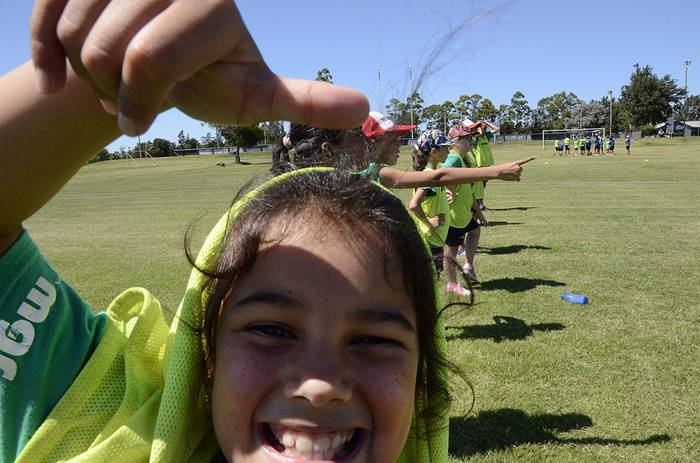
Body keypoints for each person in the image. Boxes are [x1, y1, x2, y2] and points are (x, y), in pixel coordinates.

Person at [0, 2, 457, 462]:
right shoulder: (103, 432)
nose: (320, 386)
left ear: (422, 380)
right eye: (272, 329)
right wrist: (99, 84)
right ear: (206, 361)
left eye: (374, 340)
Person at [441, 121, 487, 296]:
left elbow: (469, 190)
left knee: (475, 231)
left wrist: (478, 211)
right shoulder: (453, 157)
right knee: (451, 250)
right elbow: (440, 175)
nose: (471, 141)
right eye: (467, 138)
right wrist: (448, 190)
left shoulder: (463, 159)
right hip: (455, 215)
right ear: (456, 141)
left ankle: (468, 265)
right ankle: (452, 283)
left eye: (471, 137)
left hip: (465, 213)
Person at [408, 130, 454, 274]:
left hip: (435, 238)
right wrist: (429, 222)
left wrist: (444, 197)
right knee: (432, 278)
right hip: (430, 237)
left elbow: (428, 197)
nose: (448, 150)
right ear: (434, 151)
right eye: (445, 147)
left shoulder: (433, 171)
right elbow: (414, 205)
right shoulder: (429, 175)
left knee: (434, 278)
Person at [470, 119, 499, 210]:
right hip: (479, 164)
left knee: (483, 183)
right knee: (479, 185)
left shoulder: (486, 136)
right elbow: (478, 133)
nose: (485, 130)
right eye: (483, 128)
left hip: (486, 163)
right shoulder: (475, 138)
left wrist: (486, 123)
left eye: (485, 129)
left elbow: (497, 129)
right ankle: (479, 204)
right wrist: (479, 126)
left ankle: (480, 203)